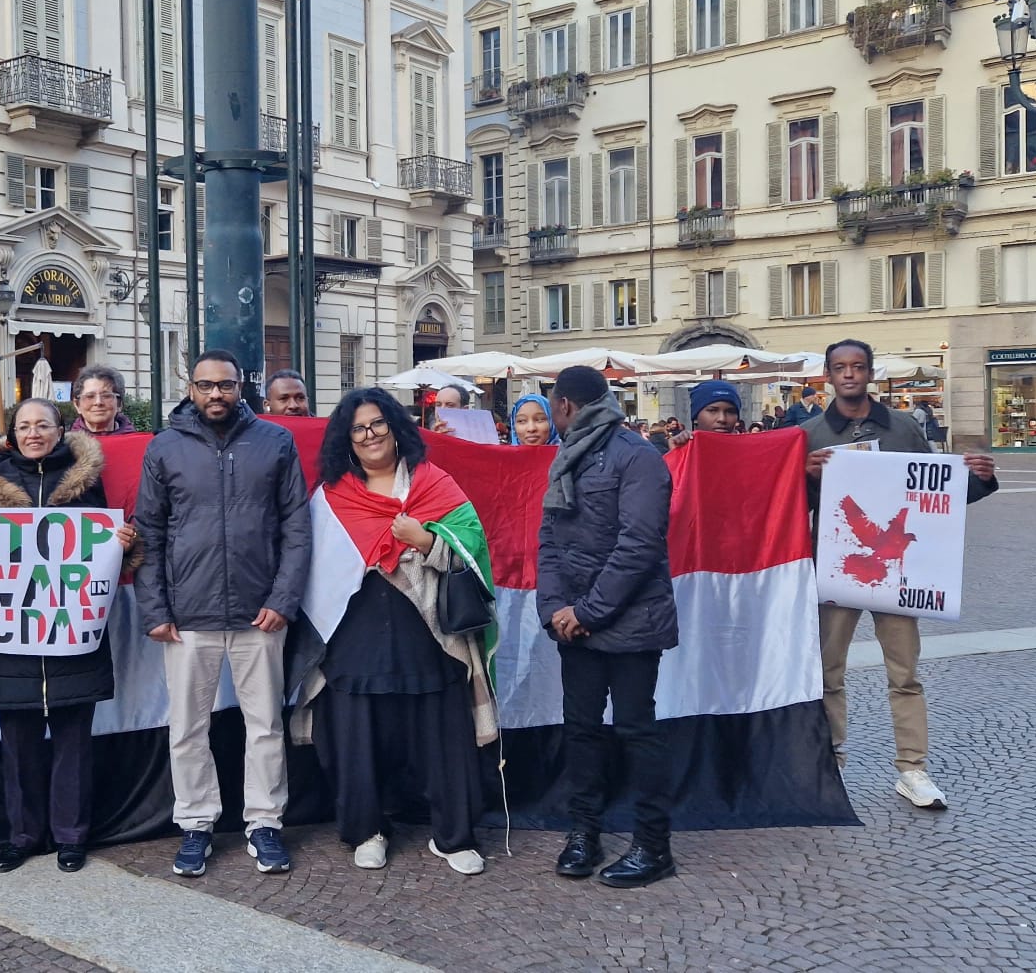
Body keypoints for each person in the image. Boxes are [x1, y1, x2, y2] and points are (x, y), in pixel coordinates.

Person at [296, 388, 497, 875]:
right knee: (356, 735)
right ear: (348, 439)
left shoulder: (436, 483)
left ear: (396, 427)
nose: (370, 435)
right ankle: (367, 829)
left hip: (428, 635)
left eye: (379, 424)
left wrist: (425, 539)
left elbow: (473, 550)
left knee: (443, 734)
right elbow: (310, 565)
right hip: (355, 637)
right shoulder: (330, 497)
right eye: (359, 428)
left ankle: (453, 836)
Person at [134, 350, 311, 878]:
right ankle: (194, 823)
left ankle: (264, 822)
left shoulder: (275, 442)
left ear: (242, 388)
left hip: (260, 613)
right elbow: (148, 532)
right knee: (188, 728)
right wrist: (155, 608)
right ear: (190, 388)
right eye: (206, 385)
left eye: (226, 386)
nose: (217, 394)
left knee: (265, 726)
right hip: (188, 615)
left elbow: (296, 530)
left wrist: (283, 600)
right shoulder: (164, 447)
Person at [801, 339, 997, 811]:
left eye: (858, 367)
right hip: (836, 567)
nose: (849, 374)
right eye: (840, 368)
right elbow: (789, 509)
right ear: (827, 376)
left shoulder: (905, 428)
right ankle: (833, 765)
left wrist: (982, 480)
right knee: (828, 674)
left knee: (905, 672)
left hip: (896, 572)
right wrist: (803, 477)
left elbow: (934, 497)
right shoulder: (807, 435)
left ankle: (913, 768)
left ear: (870, 373)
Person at [0, 398, 138, 874]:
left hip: (70, 636)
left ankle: (70, 837)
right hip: (14, 639)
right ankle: (22, 836)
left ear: (61, 431)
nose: (33, 433)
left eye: (43, 424)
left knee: (73, 742)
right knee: (16, 744)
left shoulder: (85, 484)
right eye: (24, 426)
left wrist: (124, 546)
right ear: (12, 434)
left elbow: (103, 559)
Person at [537, 365, 679, 889]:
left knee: (637, 731)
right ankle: (584, 832)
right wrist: (553, 608)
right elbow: (549, 541)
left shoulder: (638, 456)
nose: (552, 416)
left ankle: (652, 845)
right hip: (575, 625)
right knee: (581, 731)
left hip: (628, 623)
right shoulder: (566, 458)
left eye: (552, 406)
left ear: (567, 406)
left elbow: (639, 546)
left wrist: (587, 612)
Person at [668, 380, 744, 449]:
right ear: (696, 416)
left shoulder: (749, 451)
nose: (722, 419)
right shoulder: (684, 447)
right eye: (712, 410)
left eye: (730, 411)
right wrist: (676, 454)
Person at [68, 365, 138, 435]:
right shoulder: (67, 445)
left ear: (119, 404)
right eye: (90, 396)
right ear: (77, 405)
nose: (98, 402)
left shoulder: (140, 444)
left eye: (106, 396)